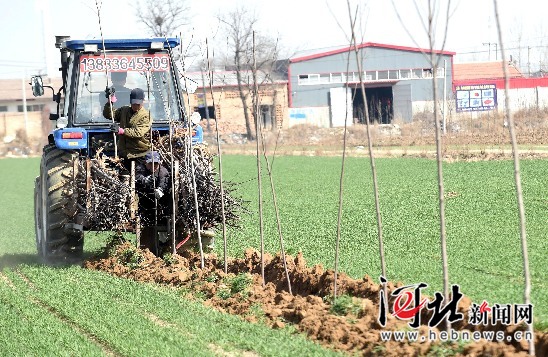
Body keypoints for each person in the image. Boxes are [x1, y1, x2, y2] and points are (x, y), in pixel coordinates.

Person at [103, 87, 152, 167]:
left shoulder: (146, 116)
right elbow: (109, 115)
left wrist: (121, 131)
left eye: (138, 104)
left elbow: (138, 132)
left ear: (143, 102)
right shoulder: (124, 110)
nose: (135, 106)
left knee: (139, 178)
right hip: (124, 154)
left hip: (139, 155)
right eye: (133, 104)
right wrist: (110, 102)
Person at [135, 151, 171, 226]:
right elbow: (137, 177)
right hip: (144, 198)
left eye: (155, 163)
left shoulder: (163, 171)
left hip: (160, 201)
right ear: (146, 163)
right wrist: (144, 180)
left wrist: (161, 189)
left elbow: (165, 181)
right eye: (150, 163)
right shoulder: (141, 168)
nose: (153, 166)